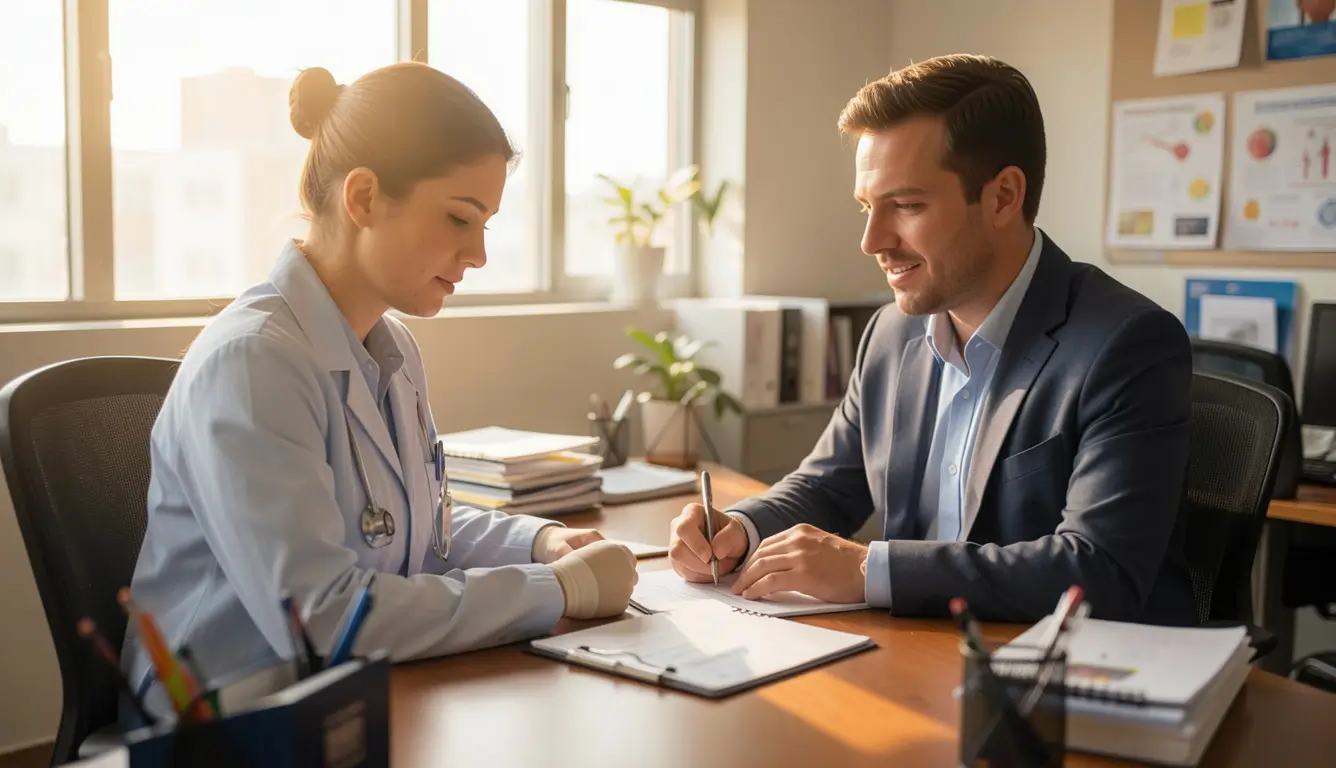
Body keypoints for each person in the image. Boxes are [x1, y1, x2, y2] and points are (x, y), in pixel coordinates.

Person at [122, 62, 638, 717]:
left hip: (355, 695)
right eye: (459, 218)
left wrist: (541, 543)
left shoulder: (390, 349)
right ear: (363, 198)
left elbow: (418, 530)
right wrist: (555, 591)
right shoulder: (254, 364)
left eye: (486, 225)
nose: (479, 254)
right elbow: (326, 620)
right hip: (231, 717)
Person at [668, 54, 1196, 625]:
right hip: (915, 654)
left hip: (1051, 676)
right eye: (868, 207)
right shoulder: (891, 333)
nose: (872, 241)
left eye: (907, 205)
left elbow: (1097, 571)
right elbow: (828, 486)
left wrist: (869, 570)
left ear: (1002, 197)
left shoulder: (1126, 344)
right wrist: (738, 530)